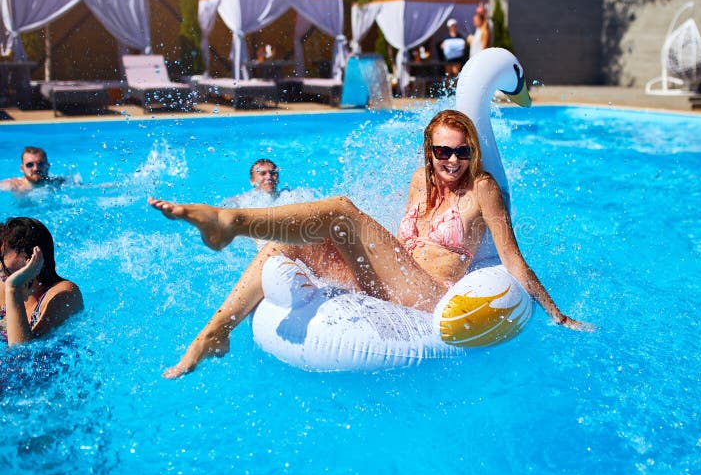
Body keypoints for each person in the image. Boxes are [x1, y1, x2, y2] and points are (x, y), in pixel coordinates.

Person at [149, 110, 594, 378]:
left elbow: (513, 258)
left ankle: (231, 223)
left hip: (426, 295)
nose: (453, 161)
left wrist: (557, 314)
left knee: (341, 210)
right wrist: (352, 248)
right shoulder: (418, 181)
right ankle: (215, 332)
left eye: (462, 152)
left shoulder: (483, 189)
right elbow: (402, 244)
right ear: (429, 150)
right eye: (443, 152)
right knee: (289, 245)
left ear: (472, 152)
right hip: (388, 281)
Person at [1, 217, 83, 346]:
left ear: (29, 256)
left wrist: (13, 288)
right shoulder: (2, 286)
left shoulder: (64, 294)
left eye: (1, 256)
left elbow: (22, 355)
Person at [0, 147, 66, 193]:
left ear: (47, 166)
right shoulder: (14, 186)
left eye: (40, 164)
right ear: (22, 168)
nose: (36, 168)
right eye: (29, 165)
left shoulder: (58, 183)